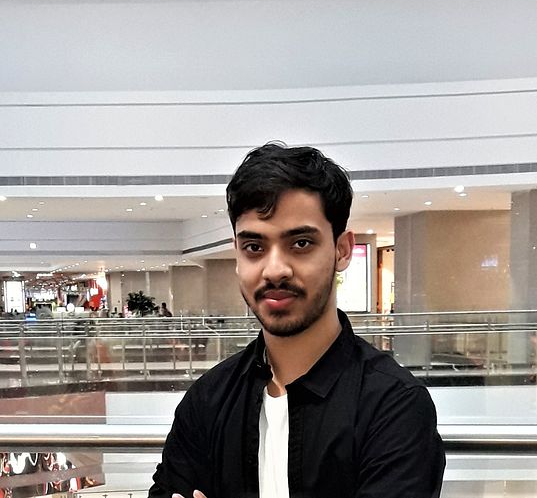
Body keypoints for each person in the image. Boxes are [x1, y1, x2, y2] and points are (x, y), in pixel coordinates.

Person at [149, 143, 445, 498]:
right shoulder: (209, 399)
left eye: (301, 243)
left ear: (342, 250)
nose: (275, 269)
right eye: (254, 247)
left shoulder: (393, 405)